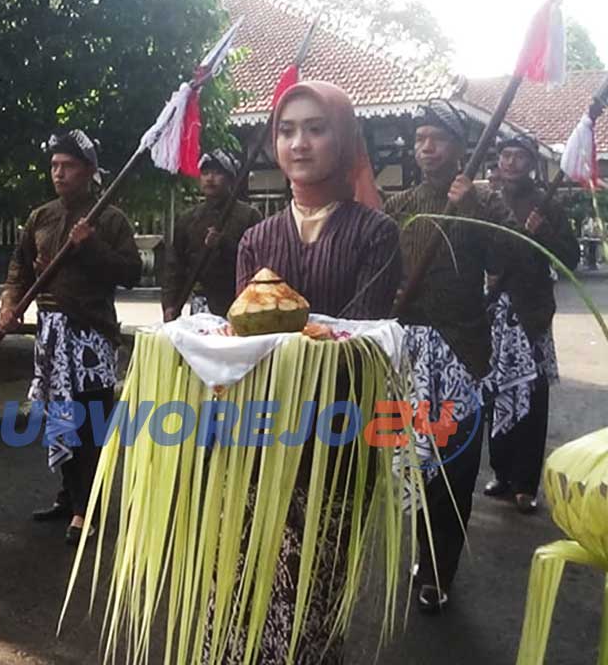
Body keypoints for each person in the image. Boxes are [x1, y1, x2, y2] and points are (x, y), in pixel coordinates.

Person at [226, 80, 401, 663]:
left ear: (345, 137)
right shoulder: (256, 238)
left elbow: (359, 341)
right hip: (260, 438)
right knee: (246, 581)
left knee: (313, 594)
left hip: (335, 440)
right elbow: (242, 342)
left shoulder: (375, 234)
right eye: (286, 130)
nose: (299, 143)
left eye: (316, 128)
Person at [382, 100, 515, 613]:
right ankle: (421, 549)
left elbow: (508, 260)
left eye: (437, 138)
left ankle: (440, 569)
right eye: (419, 138)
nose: (426, 147)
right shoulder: (399, 207)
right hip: (408, 356)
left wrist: (475, 209)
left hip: (461, 353)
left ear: (462, 148)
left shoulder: (483, 201)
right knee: (409, 464)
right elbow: (378, 265)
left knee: (455, 466)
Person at [0, 129, 141, 545]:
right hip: (51, 332)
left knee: (88, 420)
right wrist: (11, 304)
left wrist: (91, 245)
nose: (59, 174)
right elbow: (19, 267)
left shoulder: (109, 219)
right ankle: (69, 495)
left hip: (91, 334)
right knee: (59, 417)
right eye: (54, 166)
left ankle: (86, 509)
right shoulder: (40, 217)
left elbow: (131, 273)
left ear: (89, 172)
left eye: (68, 166)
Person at [484, 135, 579, 513]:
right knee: (496, 394)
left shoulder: (549, 207)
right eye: (505, 155)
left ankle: (525, 483)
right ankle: (502, 473)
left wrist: (544, 232)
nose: (510, 163)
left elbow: (569, 258)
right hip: (494, 316)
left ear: (531, 164)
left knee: (533, 398)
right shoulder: (488, 203)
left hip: (532, 316)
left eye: (519, 157)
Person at [161, 149, 262, 320]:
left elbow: (259, 263)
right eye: (205, 173)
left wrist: (224, 245)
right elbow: (175, 266)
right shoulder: (188, 219)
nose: (210, 178)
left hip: (238, 301)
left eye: (217, 173)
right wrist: (170, 304)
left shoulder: (249, 216)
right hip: (201, 303)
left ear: (230, 179)